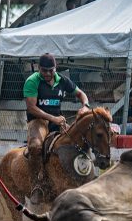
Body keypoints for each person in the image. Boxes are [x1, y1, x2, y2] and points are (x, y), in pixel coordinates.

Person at [24, 53, 91, 203]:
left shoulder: (62, 80)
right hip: (38, 121)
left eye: (50, 70)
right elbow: (31, 108)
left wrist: (85, 106)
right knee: (35, 147)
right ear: (38, 69)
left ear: (56, 68)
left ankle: (82, 177)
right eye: (44, 70)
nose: (47, 74)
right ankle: (36, 185)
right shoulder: (32, 81)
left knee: (76, 142)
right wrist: (53, 118)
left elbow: (82, 94)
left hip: (57, 121)